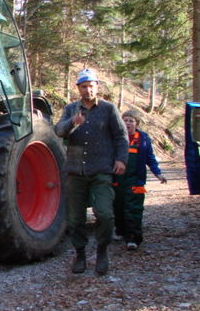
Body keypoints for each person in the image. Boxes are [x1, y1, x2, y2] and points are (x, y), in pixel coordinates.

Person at [54, 68, 128, 275]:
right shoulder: (70, 109)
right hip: (76, 171)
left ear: (97, 86)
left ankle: (102, 250)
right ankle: (80, 254)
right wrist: (72, 123)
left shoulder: (108, 109)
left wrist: (121, 159)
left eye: (91, 86)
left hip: (101, 169)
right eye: (84, 86)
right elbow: (58, 131)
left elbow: (121, 136)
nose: (88, 90)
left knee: (104, 213)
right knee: (76, 218)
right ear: (78, 88)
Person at [113, 109, 167, 250]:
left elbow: (150, 158)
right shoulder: (115, 137)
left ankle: (133, 238)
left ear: (136, 123)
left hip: (136, 181)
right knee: (117, 207)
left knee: (134, 209)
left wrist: (158, 173)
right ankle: (120, 230)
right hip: (117, 180)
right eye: (125, 120)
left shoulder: (143, 139)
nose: (128, 123)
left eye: (131, 121)